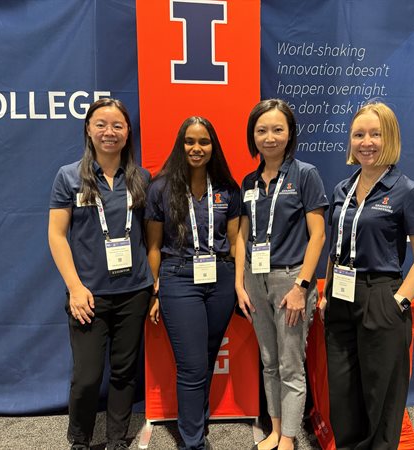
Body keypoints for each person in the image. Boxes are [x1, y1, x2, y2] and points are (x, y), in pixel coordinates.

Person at [320, 100, 414, 450]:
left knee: (380, 397)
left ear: (391, 139)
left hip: (380, 297)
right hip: (341, 298)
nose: (366, 142)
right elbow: (335, 245)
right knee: (343, 395)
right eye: (359, 135)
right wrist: (326, 295)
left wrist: (400, 300)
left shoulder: (407, 191)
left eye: (375, 134)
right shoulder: (343, 188)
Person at [48, 98, 153, 450]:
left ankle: (117, 439)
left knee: (124, 372)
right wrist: (75, 288)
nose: (109, 132)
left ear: (127, 133)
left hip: (134, 291)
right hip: (88, 294)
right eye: (101, 124)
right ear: (89, 130)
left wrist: (153, 287)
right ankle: (79, 440)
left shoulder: (141, 178)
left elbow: (151, 238)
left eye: (117, 125)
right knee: (88, 376)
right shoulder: (69, 177)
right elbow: (57, 235)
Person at [235, 99, 328, 450]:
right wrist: (239, 283)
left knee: (291, 364)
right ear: (252, 136)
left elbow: (317, 235)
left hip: (291, 281)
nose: (269, 137)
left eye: (277, 129)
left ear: (290, 134)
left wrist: (303, 287)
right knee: (269, 361)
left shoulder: (305, 174)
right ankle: (274, 429)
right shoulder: (249, 181)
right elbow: (243, 235)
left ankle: (288, 437)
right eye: (261, 130)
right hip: (255, 281)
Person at [145, 116, 240, 450]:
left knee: (208, 357)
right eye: (190, 141)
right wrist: (154, 290)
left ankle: (197, 425)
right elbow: (154, 246)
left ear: (213, 146)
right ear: (180, 144)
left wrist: (239, 284)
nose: (196, 148)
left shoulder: (228, 188)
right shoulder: (160, 187)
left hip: (221, 278)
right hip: (178, 277)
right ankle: (192, 443)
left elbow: (235, 240)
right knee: (192, 366)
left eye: (204, 142)